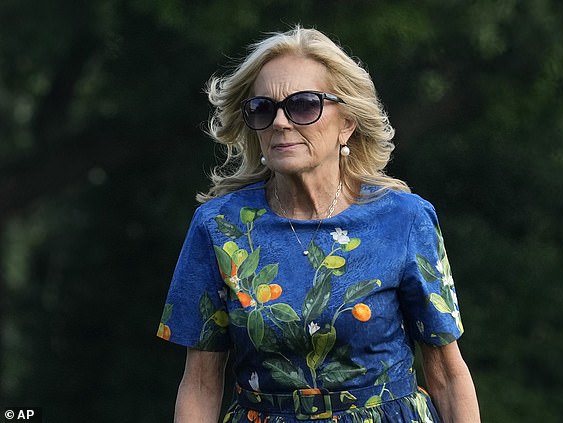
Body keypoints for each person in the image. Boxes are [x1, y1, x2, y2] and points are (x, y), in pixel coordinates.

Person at [157, 25, 480, 423]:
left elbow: (447, 372)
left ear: (347, 122)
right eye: (262, 108)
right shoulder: (220, 227)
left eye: (303, 105)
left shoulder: (404, 219)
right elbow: (201, 383)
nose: (279, 122)